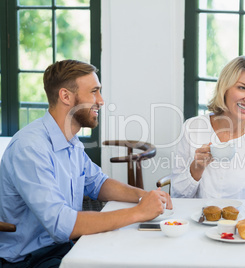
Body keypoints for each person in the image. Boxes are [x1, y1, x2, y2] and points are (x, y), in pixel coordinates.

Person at [0, 60, 172, 266]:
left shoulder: (70, 140)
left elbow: (98, 183)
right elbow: (62, 224)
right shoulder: (30, 148)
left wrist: (142, 196)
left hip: (64, 247)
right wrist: (138, 212)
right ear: (65, 96)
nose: (101, 101)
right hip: (30, 259)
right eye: (94, 92)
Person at [171, 56, 245, 199]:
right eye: (242, 88)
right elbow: (177, 196)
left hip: (244, 221)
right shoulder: (193, 128)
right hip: (196, 220)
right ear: (224, 89)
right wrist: (196, 168)